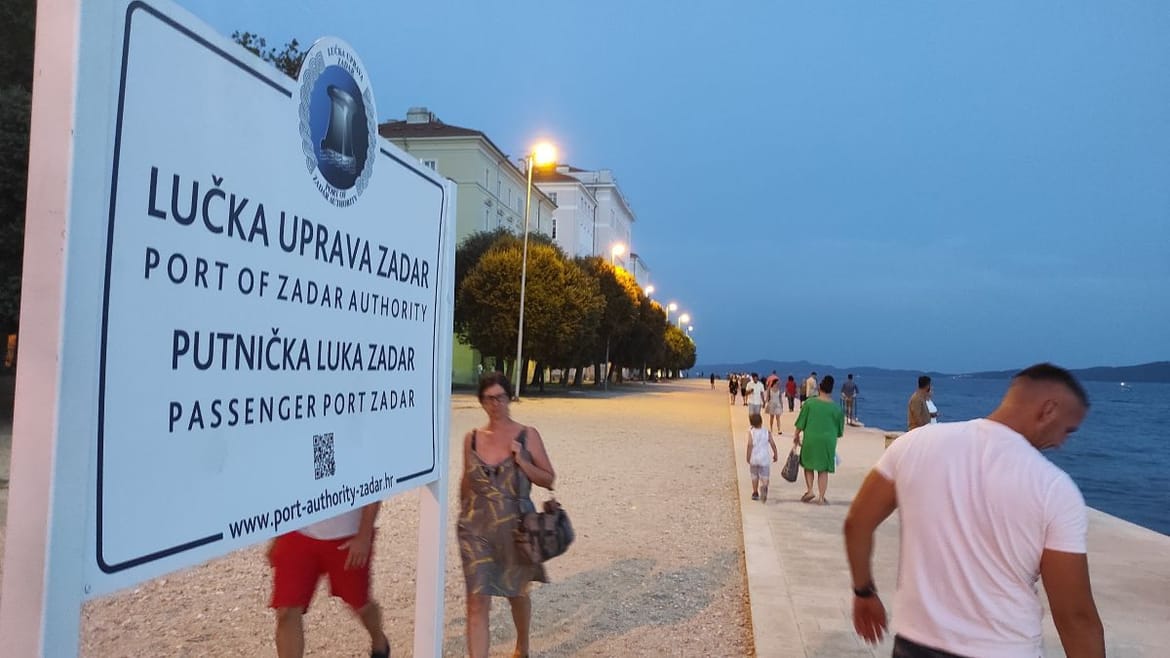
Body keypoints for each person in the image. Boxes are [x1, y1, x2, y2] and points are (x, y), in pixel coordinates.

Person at [843, 363, 1104, 657]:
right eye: (1067, 430)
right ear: (1048, 410)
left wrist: (863, 592)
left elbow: (857, 523)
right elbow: (1075, 617)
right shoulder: (1053, 487)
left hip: (915, 645)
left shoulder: (913, 445)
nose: (1061, 443)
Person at [459, 372, 556, 658]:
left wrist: (523, 461)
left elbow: (548, 479)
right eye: (489, 399)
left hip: (517, 528)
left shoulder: (527, 435)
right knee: (477, 601)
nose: (496, 404)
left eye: (500, 397)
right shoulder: (472, 439)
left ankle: (522, 646)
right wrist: (462, 515)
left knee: (517, 593)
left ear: (509, 397)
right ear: (481, 402)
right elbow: (466, 481)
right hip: (477, 530)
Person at [267, 504, 390, 658]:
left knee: (360, 604)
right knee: (287, 611)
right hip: (298, 533)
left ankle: (379, 640)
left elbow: (372, 488)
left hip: (347, 534)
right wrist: (279, 535)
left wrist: (364, 536)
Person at [793, 375, 844, 505]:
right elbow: (839, 431)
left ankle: (810, 490)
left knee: (808, 465)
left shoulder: (810, 403)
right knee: (823, 469)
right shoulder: (837, 408)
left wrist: (796, 435)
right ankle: (821, 497)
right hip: (828, 441)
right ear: (831, 390)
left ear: (820, 388)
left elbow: (801, 423)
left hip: (811, 438)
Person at [745, 412, 779, 502]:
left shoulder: (751, 432)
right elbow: (772, 443)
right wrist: (775, 453)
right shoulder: (767, 431)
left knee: (754, 475)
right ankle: (764, 486)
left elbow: (749, 445)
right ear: (761, 421)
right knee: (765, 475)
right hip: (764, 458)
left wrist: (748, 456)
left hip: (754, 457)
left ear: (751, 423)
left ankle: (755, 492)